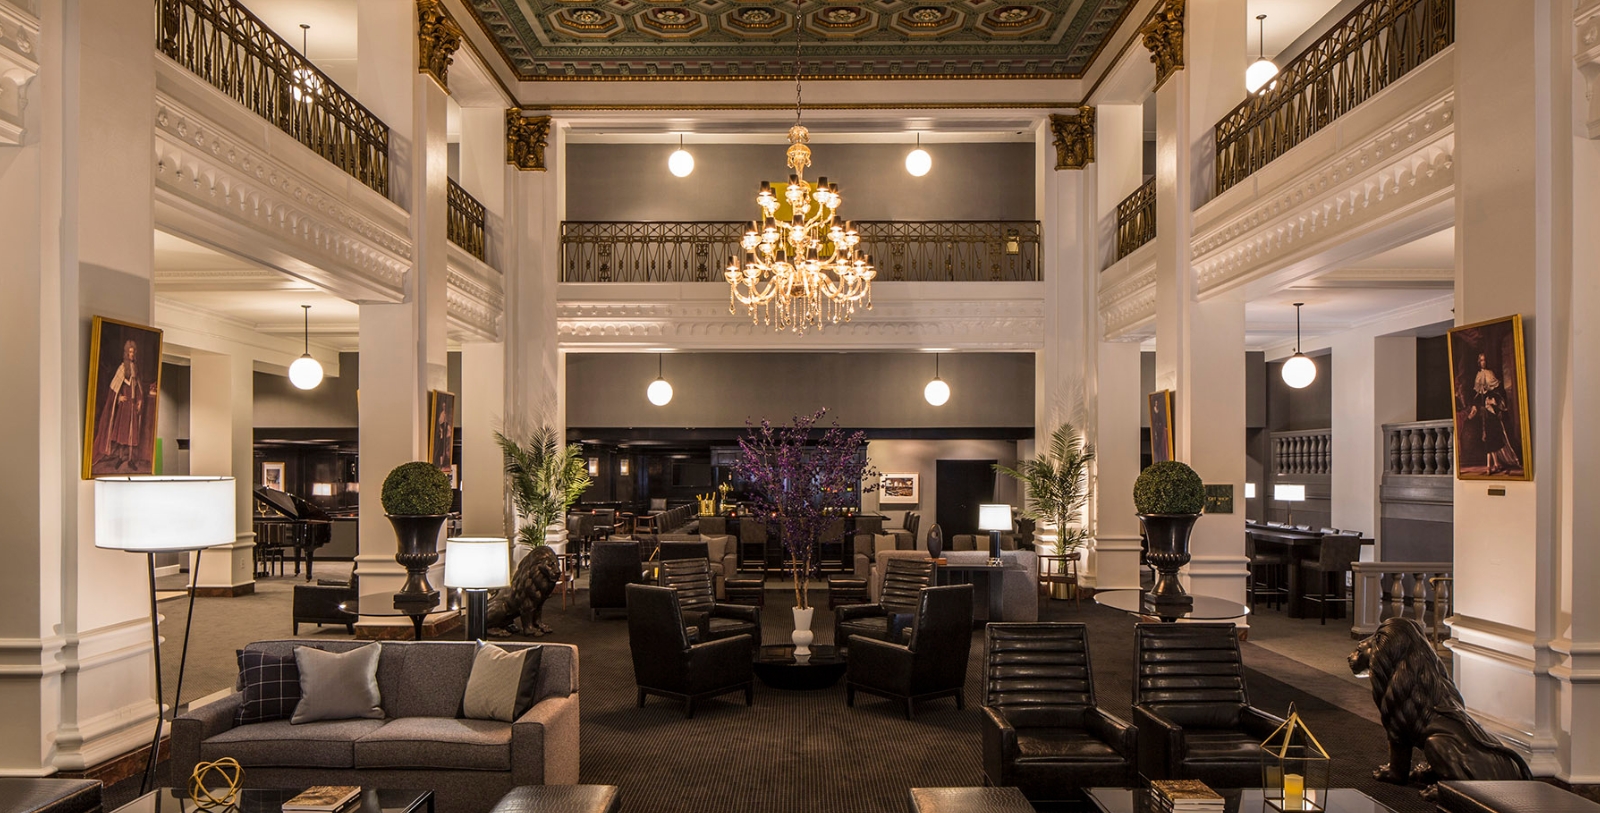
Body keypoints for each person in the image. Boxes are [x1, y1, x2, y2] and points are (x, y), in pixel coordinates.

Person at [93, 339, 149, 473]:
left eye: (133, 352)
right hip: (124, 407)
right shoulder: (122, 368)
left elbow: (138, 387)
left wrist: (139, 400)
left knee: (131, 435)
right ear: (126, 353)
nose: (132, 354)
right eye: (130, 352)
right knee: (122, 434)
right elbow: (114, 387)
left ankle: (129, 459)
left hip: (132, 406)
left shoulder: (135, 368)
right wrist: (119, 397)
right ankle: (119, 457)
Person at [1466, 352, 1521, 475]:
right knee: (1488, 440)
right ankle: (1492, 465)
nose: (1483, 362)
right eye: (1481, 360)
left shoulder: (1490, 374)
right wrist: (1474, 409)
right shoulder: (1478, 376)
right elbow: (1477, 397)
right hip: (1484, 415)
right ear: (1478, 362)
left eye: (1484, 360)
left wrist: (1493, 402)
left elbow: (1498, 393)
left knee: (1493, 439)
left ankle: (1492, 465)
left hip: (1492, 413)